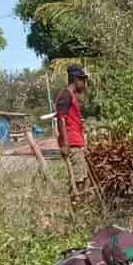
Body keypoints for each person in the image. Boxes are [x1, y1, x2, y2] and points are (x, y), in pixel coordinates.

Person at [56, 64, 91, 197]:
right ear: (76, 80)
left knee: (83, 178)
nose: (84, 84)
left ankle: (82, 208)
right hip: (71, 144)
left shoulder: (70, 96)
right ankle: (76, 209)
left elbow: (69, 118)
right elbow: (61, 119)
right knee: (77, 180)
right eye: (83, 81)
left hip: (76, 143)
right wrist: (65, 144)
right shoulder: (65, 95)